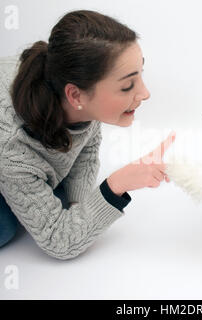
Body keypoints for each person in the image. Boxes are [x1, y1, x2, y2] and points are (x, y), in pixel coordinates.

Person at [0, 10, 175, 259]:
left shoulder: (78, 102)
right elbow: (59, 242)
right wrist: (116, 185)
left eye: (140, 76)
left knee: (62, 195)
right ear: (76, 95)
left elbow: (86, 149)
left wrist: (78, 206)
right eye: (127, 85)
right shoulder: (12, 146)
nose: (145, 93)